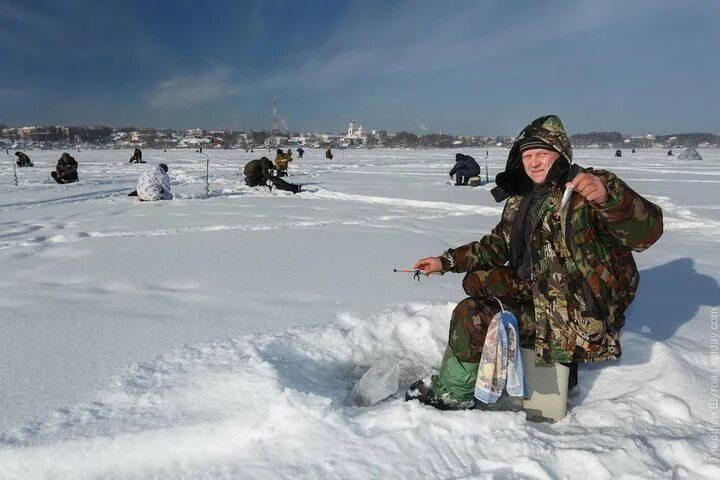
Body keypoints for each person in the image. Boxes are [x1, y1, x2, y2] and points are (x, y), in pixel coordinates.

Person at [405, 115, 663, 411]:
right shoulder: (522, 198)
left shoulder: (584, 191)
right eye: (528, 155)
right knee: (475, 281)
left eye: (542, 154)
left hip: (575, 314)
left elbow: (647, 232)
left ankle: (453, 394)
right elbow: (496, 244)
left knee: (473, 315)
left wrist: (608, 198)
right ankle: (513, 362)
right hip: (539, 294)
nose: (534, 162)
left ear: (562, 155)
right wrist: (445, 261)